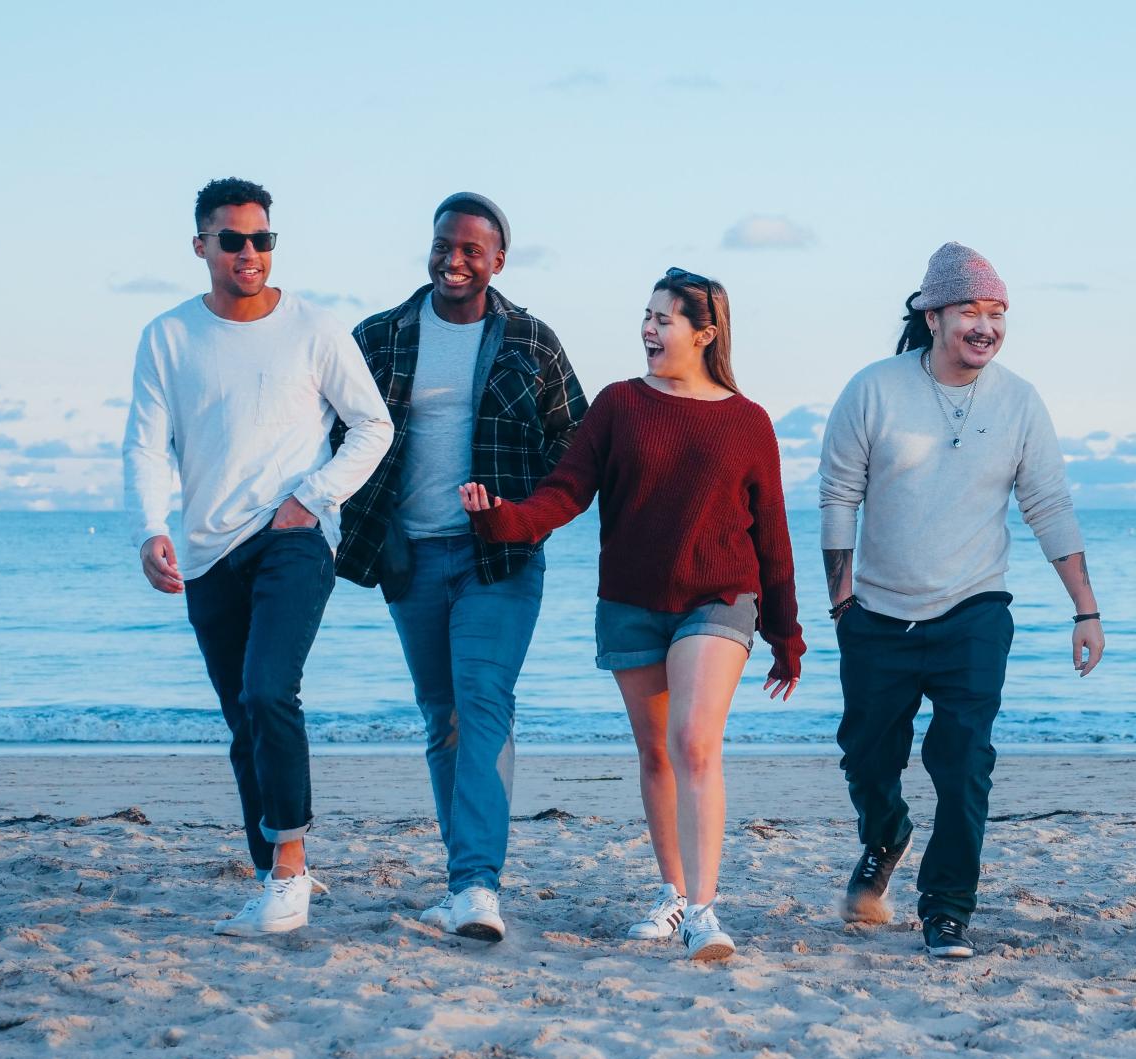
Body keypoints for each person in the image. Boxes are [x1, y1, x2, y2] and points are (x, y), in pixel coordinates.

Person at [462, 269, 803, 962]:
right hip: (630, 603)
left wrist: (785, 634)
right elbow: (565, 494)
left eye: (664, 319)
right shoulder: (618, 405)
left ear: (705, 334)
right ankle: (673, 894)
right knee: (656, 754)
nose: (648, 329)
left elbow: (772, 531)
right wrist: (503, 519)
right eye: (645, 316)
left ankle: (706, 911)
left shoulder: (747, 421)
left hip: (719, 597)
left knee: (694, 745)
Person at [820, 242, 1105, 960]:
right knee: (865, 755)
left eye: (998, 313)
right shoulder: (874, 389)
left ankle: (947, 908)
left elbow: (1049, 505)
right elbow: (838, 496)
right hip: (878, 614)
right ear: (934, 314)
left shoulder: (1018, 401)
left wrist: (1086, 609)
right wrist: (841, 600)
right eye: (972, 311)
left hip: (976, 608)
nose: (986, 326)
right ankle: (885, 836)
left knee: (964, 761)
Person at [123, 177, 392, 935]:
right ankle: (279, 867)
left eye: (262, 239)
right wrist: (149, 528)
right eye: (233, 239)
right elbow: (145, 445)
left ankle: (289, 873)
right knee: (244, 717)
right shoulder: (168, 337)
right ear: (202, 245)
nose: (250, 252)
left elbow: (372, 425)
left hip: (292, 538)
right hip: (208, 551)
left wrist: (313, 497)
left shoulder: (314, 328)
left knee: (271, 690)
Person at [335, 193, 587, 942]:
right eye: (444, 244)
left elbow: (573, 445)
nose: (454, 259)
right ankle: (463, 879)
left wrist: (520, 511)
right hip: (409, 557)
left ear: (498, 261)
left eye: (472, 250)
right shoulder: (378, 337)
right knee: (441, 719)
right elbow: (327, 432)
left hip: (498, 557)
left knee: (483, 705)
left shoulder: (531, 341)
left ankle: (477, 885)